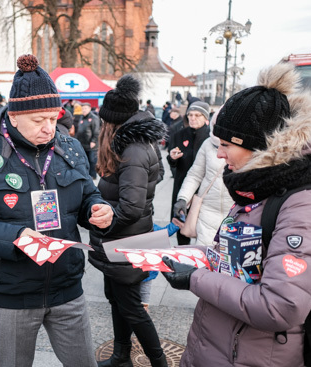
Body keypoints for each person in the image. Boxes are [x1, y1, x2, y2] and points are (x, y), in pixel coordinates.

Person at [0, 54, 115, 367]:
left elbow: (87, 192)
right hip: (10, 292)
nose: (49, 128)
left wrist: (98, 208)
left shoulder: (70, 147)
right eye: (39, 121)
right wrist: (15, 237)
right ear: (14, 115)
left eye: (54, 118)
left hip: (67, 288)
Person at [162, 62, 311, 366]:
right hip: (219, 343)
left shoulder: (298, 204)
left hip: (248, 354)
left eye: (226, 145)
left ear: (258, 147)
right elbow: (237, 258)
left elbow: (280, 306)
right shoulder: (256, 184)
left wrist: (196, 279)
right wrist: (196, 254)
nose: (219, 153)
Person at [89, 74, 168, 367]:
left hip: (126, 240)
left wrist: (102, 222)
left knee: (132, 308)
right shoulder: (133, 143)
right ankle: (121, 354)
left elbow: (132, 207)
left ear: (112, 121)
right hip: (122, 240)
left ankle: (158, 362)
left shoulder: (133, 149)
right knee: (117, 299)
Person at [172, 109, 233, 246]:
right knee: (205, 260)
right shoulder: (208, 144)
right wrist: (183, 198)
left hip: (235, 214)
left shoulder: (244, 147)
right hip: (207, 213)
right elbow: (195, 175)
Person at [167, 100, 210, 245]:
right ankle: (183, 258)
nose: (193, 118)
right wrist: (172, 158)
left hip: (204, 188)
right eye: (190, 115)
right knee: (181, 224)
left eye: (197, 115)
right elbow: (173, 160)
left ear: (206, 118)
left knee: (203, 227)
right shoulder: (179, 135)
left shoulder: (212, 137)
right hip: (182, 184)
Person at [75, 102, 101, 179]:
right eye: (82, 109)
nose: (84, 110)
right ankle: (87, 175)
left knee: (92, 161)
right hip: (82, 143)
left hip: (91, 144)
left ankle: (93, 175)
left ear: (89, 108)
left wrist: (94, 141)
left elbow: (96, 131)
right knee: (85, 161)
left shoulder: (94, 118)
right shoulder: (81, 117)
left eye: (85, 108)